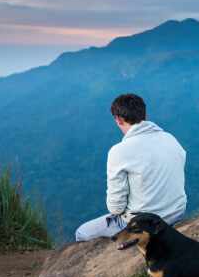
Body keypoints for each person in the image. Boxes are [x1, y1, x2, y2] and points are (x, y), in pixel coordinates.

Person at [75, 93, 187, 241]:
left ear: (118, 119)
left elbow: (116, 208)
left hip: (144, 222)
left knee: (82, 233)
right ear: (144, 114)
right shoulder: (170, 139)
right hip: (176, 213)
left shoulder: (119, 151)